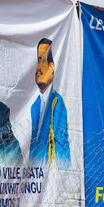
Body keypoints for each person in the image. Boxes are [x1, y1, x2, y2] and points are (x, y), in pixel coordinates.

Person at [29, 37, 70, 168]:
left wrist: (62, 177)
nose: (38, 68)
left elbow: (62, 144)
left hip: (52, 175)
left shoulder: (57, 103)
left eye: (42, 60)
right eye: (37, 61)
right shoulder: (33, 105)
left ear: (52, 67)